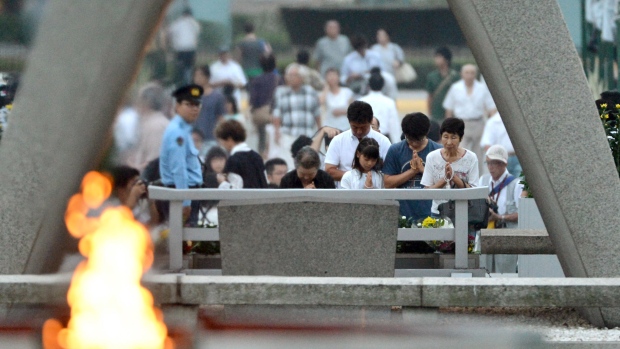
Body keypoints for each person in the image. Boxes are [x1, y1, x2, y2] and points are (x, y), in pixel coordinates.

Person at [384, 112, 443, 221]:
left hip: (432, 214)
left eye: (419, 140)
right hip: (402, 215)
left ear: (426, 132)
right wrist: (412, 171)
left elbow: (444, 182)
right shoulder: (395, 150)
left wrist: (423, 170)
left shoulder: (438, 151)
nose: (414, 144)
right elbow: (387, 183)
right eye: (410, 139)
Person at [159, 84, 204, 224]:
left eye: (197, 104)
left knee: (187, 242)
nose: (194, 108)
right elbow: (179, 169)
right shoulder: (177, 133)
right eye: (189, 104)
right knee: (184, 242)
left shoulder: (184, 129)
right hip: (181, 194)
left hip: (186, 193)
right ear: (177, 106)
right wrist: (185, 202)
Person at [478, 145, 523, 273]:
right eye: (489, 163)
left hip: (507, 237)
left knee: (505, 274)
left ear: (504, 163)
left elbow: (522, 214)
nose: (491, 167)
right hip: (487, 234)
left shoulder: (516, 184)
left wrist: (500, 217)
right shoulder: (483, 180)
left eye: (495, 163)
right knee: (484, 272)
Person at [421, 118, 479, 216]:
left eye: (453, 138)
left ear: (461, 138)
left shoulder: (471, 158)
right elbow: (427, 191)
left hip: (464, 213)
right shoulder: (432, 157)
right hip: (438, 212)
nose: (448, 142)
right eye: (445, 137)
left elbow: (474, 191)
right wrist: (445, 179)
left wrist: (454, 177)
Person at [443, 64, 496, 172]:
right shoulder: (455, 88)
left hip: (478, 123)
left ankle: (478, 180)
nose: (469, 75)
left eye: (472, 73)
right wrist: (448, 128)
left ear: (475, 74)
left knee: (478, 155)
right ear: (462, 74)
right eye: (467, 73)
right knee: (460, 152)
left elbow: (491, 108)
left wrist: (493, 125)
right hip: (461, 124)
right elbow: (449, 108)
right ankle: (460, 177)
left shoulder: (482, 89)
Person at [325, 101, 391, 187]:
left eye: (363, 127)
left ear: (371, 121)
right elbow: (329, 171)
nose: (359, 131)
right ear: (349, 121)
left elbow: (390, 172)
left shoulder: (383, 141)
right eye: (354, 127)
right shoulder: (338, 141)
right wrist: (355, 177)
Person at [272, 63, 321, 150]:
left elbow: (317, 113)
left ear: (302, 77)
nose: (292, 78)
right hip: (288, 135)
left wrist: (320, 131)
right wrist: (276, 131)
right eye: (289, 75)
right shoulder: (280, 92)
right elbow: (277, 114)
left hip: (307, 134)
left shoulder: (311, 92)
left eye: (295, 75)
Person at [124, 83, 169, 172]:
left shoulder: (156, 126)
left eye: (139, 99)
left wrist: (134, 168)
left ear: (146, 102)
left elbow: (153, 163)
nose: (136, 103)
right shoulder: (148, 123)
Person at [215, 119, 267, 188]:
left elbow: (235, 191)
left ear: (229, 139)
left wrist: (222, 182)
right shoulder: (257, 157)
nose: (221, 144)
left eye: (221, 141)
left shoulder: (233, 160)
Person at [249, 54, 281, 157]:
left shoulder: (256, 80)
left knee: (262, 137)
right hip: (276, 114)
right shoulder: (279, 79)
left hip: (261, 114)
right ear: (274, 65)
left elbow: (253, 100)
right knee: (274, 137)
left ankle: (262, 157)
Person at [357, 72, 400, 143]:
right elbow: (393, 125)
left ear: (369, 85)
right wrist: (396, 143)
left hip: (365, 139)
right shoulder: (389, 102)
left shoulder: (361, 101)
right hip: (384, 138)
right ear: (383, 85)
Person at [193, 65, 226, 154]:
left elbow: (221, 118)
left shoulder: (217, 96)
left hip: (210, 139)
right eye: (195, 76)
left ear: (207, 77)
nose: (197, 79)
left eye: (200, 76)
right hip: (194, 139)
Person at [480, 111, 522, 177]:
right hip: (500, 158)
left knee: (519, 183)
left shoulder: (519, 119)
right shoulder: (493, 122)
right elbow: (487, 144)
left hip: (518, 157)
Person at [425, 47, 460, 124]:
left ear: (446, 59)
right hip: (436, 115)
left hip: (453, 115)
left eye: (438, 57)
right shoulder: (431, 76)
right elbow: (430, 96)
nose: (436, 60)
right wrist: (430, 114)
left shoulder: (455, 76)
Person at [167, 8, 200, 86]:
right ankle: (187, 83)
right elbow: (197, 32)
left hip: (180, 50)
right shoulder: (194, 23)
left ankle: (181, 83)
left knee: (180, 68)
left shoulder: (177, 23)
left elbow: (170, 33)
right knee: (189, 68)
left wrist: (172, 44)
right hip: (190, 50)